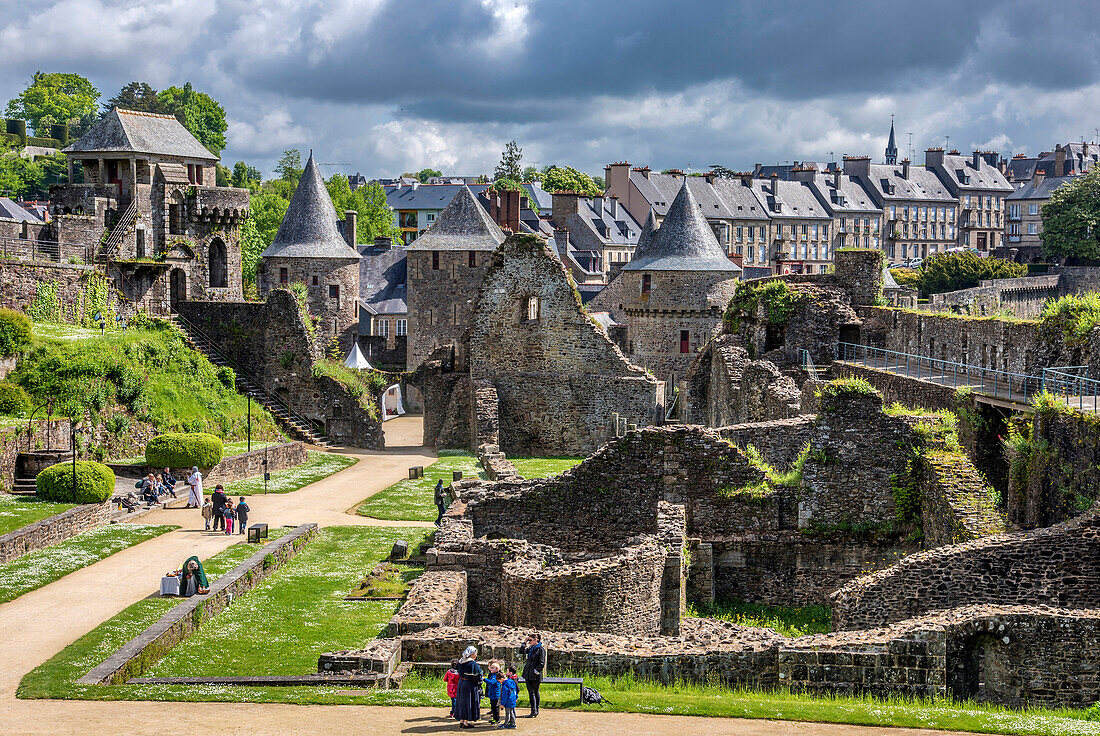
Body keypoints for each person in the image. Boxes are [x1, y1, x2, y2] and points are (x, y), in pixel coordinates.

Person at [454, 645, 482, 727]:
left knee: (461, 702)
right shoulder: (472, 664)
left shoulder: (460, 661)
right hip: (469, 684)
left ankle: (462, 720)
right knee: (467, 702)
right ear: (472, 654)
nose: (476, 655)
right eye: (475, 653)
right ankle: (465, 722)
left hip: (461, 683)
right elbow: (478, 676)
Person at [520, 632, 545, 718]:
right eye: (529, 640)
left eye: (530, 640)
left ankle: (535, 710)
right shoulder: (530, 648)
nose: (529, 641)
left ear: (536, 640)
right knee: (531, 692)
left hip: (535, 674)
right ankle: (534, 710)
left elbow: (542, 663)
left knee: (534, 692)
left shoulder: (541, 649)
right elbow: (521, 651)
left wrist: (535, 671)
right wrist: (524, 642)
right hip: (528, 673)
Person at [499, 665, 519, 730]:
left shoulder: (505, 684)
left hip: (508, 701)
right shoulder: (512, 682)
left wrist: (502, 704)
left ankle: (506, 724)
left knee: (508, 713)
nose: (500, 683)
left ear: (502, 679)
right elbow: (515, 691)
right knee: (512, 712)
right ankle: (513, 724)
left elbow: (504, 696)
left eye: (499, 681)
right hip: (512, 700)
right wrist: (516, 697)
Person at [484, 659, 502, 724]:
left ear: (497, 669)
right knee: (493, 708)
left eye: (492, 668)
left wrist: (484, 679)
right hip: (492, 694)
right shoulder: (492, 675)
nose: (490, 669)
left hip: (495, 695)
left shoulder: (496, 676)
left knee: (496, 708)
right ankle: (494, 719)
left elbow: (492, 682)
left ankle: (497, 720)